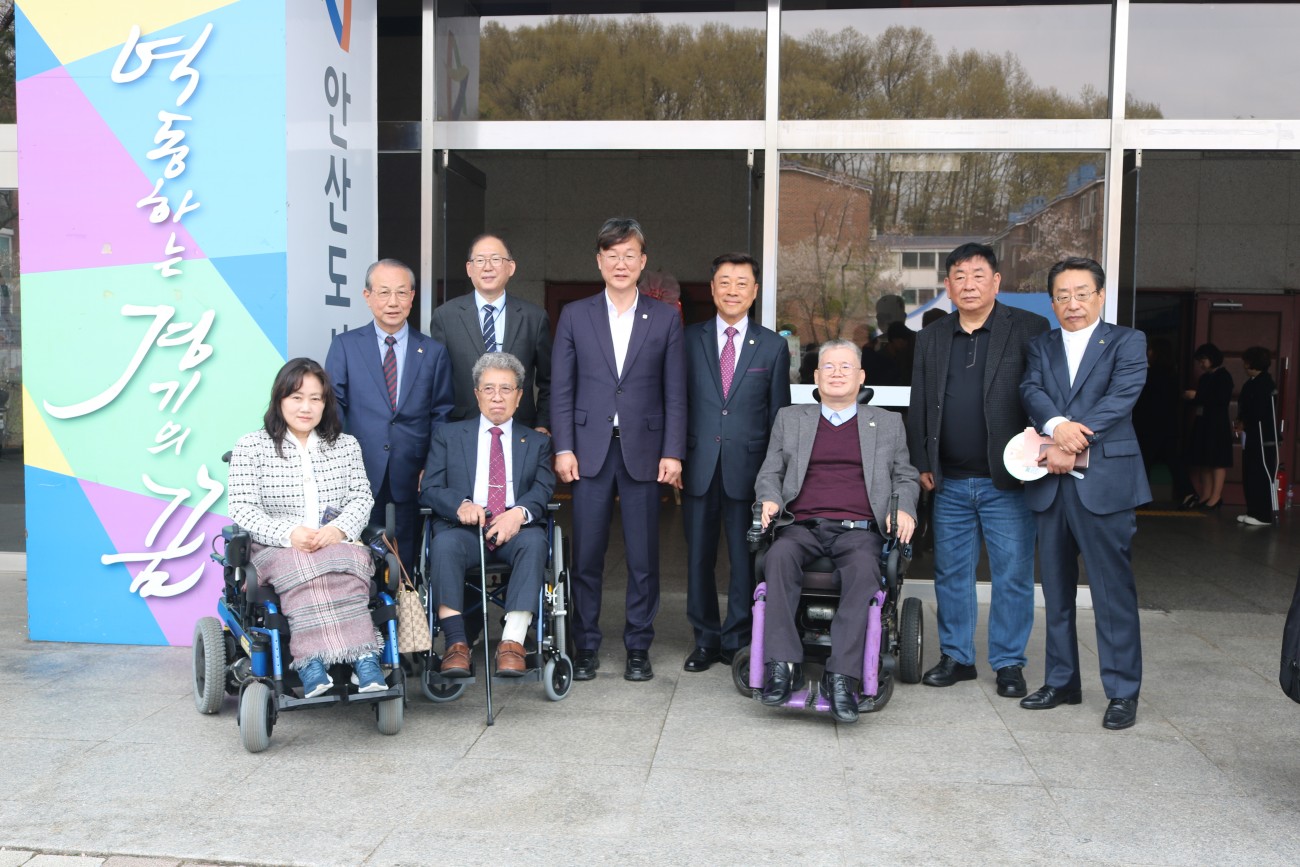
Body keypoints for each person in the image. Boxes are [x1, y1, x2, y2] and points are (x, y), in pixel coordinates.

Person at [906, 242, 1049, 698]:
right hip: (948, 479)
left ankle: (1008, 663)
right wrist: (922, 462)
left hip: (1007, 481)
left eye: (978, 275)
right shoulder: (931, 336)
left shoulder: (1028, 328)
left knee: (1011, 575)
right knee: (952, 574)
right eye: (959, 277)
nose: (968, 284)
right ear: (947, 286)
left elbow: (1044, 396)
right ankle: (957, 657)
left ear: (996, 281)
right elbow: (919, 403)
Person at [754, 339, 919, 723]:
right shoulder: (791, 419)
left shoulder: (888, 423)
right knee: (778, 557)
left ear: (861, 377)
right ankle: (783, 666)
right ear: (816, 376)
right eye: (828, 366)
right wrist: (769, 499)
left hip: (858, 529)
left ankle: (842, 676)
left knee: (863, 570)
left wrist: (904, 508)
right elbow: (770, 473)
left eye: (846, 367)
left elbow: (905, 476)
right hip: (802, 525)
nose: (837, 373)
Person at [551, 217, 687, 682]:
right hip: (588, 450)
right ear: (599, 261)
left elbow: (675, 392)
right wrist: (564, 447)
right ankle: (586, 644)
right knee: (587, 554)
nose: (621, 263)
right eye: (612, 255)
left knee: (643, 556)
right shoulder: (576, 314)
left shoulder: (664, 318)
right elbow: (562, 389)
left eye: (630, 255)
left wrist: (673, 451)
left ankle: (638, 646)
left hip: (645, 450)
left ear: (643, 261)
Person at [1019, 257, 1149, 730]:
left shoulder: (1127, 341)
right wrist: (1056, 426)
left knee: (1112, 593)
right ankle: (1061, 681)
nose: (1072, 303)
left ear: (1100, 296)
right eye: (1062, 296)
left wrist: (1073, 437)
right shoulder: (1041, 345)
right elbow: (1030, 390)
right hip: (1051, 484)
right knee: (1056, 590)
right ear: (1052, 302)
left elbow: (1123, 395)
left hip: (1105, 483)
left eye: (1081, 294)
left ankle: (1122, 692)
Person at [227, 358, 388, 698]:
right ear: (280, 399)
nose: (306, 407)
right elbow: (242, 508)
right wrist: (289, 534)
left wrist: (338, 530)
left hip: (336, 542)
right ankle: (323, 659)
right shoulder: (251, 446)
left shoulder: (345, 445)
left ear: (326, 403)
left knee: (344, 561)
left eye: (316, 398)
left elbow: (361, 497)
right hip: (276, 547)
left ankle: (358, 658)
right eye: (297, 397)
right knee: (301, 562)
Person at [681, 253, 791, 673]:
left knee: (745, 560)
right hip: (698, 465)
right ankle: (705, 638)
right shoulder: (688, 339)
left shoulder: (773, 346)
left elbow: (779, 416)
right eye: (724, 282)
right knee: (699, 558)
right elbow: (677, 402)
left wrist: (774, 478)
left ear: (755, 291)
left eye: (741, 283)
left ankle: (738, 638)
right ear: (712, 289)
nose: (732, 291)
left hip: (750, 471)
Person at [419, 353, 555, 676]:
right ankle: (456, 644)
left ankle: (512, 643)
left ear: (519, 396)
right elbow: (430, 488)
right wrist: (461, 505)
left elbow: (543, 488)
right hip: (465, 530)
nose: (497, 397)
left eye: (506, 389)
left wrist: (518, 513)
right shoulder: (448, 436)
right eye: (489, 388)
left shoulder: (537, 442)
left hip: (515, 531)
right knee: (443, 544)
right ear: (477, 394)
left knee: (535, 542)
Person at [325, 259, 455, 571]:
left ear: (412, 296)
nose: (393, 302)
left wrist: (432, 466)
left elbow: (441, 413)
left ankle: (403, 603)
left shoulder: (433, 352)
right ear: (367, 296)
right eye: (384, 292)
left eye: (401, 292)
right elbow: (333, 409)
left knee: (403, 559)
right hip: (358, 471)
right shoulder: (345, 346)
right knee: (356, 557)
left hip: (411, 472)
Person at [429, 234, 553, 432]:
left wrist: (542, 423)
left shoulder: (534, 317)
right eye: (480, 260)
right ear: (469, 269)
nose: (487, 267)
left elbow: (549, 380)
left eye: (496, 259)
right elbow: (436, 382)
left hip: (521, 428)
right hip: (461, 429)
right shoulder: (445, 316)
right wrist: (442, 432)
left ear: (511, 267)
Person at [1183, 342, 1233, 511]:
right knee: (1203, 460)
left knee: (1217, 461)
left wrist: (1197, 395)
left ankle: (1216, 496)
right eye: (1199, 361)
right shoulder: (1205, 377)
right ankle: (1206, 495)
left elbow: (1221, 400)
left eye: (1203, 360)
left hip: (1217, 424)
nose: (1201, 364)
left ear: (1213, 358)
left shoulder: (1224, 376)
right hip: (1203, 422)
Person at [1236, 346, 1279, 527]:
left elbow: (1260, 411)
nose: (1244, 366)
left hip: (1262, 435)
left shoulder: (1265, 384)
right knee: (1250, 472)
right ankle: (1252, 510)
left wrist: (1245, 421)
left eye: (1246, 362)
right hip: (1252, 434)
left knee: (1260, 472)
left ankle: (1263, 515)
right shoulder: (1252, 383)